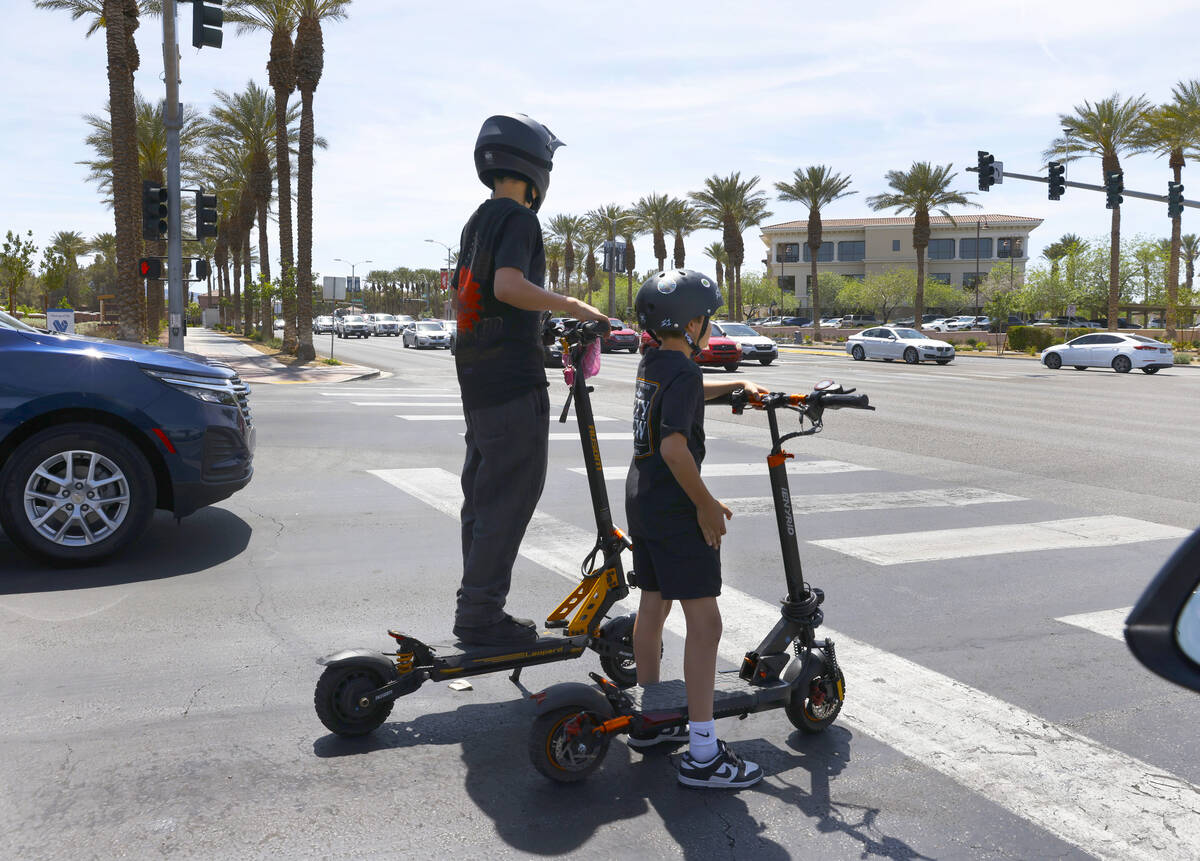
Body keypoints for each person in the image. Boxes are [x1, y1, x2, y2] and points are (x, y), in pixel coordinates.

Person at [451, 113, 609, 647]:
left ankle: (473, 603)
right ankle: (480, 615)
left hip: (477, 379)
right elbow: (510, 286)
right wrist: (573, 305)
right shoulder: (520, 220)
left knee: (482, 496)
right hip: (510, 386)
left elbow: (483, 300)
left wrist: (540, 341)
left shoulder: (477, 221)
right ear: (536, 166)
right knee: (510, 497)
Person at [624, 269, 768, 789]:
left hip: (643, 499)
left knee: (653, 605)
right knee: (706, 624)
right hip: (677, 507)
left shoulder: (656, 363)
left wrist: (735, 382)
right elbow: (674, 446)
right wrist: (706, 504)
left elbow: (682, 396)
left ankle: (651, 721)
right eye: (707, 319)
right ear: (689, 324)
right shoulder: (681, 372)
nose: (711, 328)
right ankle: (704, 753)